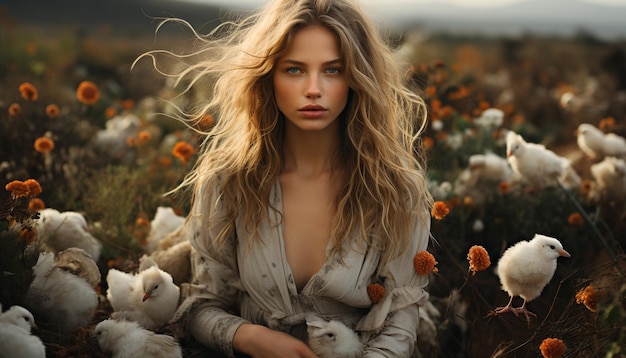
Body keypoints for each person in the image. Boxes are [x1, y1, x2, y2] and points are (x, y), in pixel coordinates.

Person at [140, 0, 434, 356]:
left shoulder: (394, 189)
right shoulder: (229, 181)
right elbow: (202, 306)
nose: (313, 89)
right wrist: (251, 337)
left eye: (332, 70)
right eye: (294, 70)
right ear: (268, 76)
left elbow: (400, 321)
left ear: (357, 78)